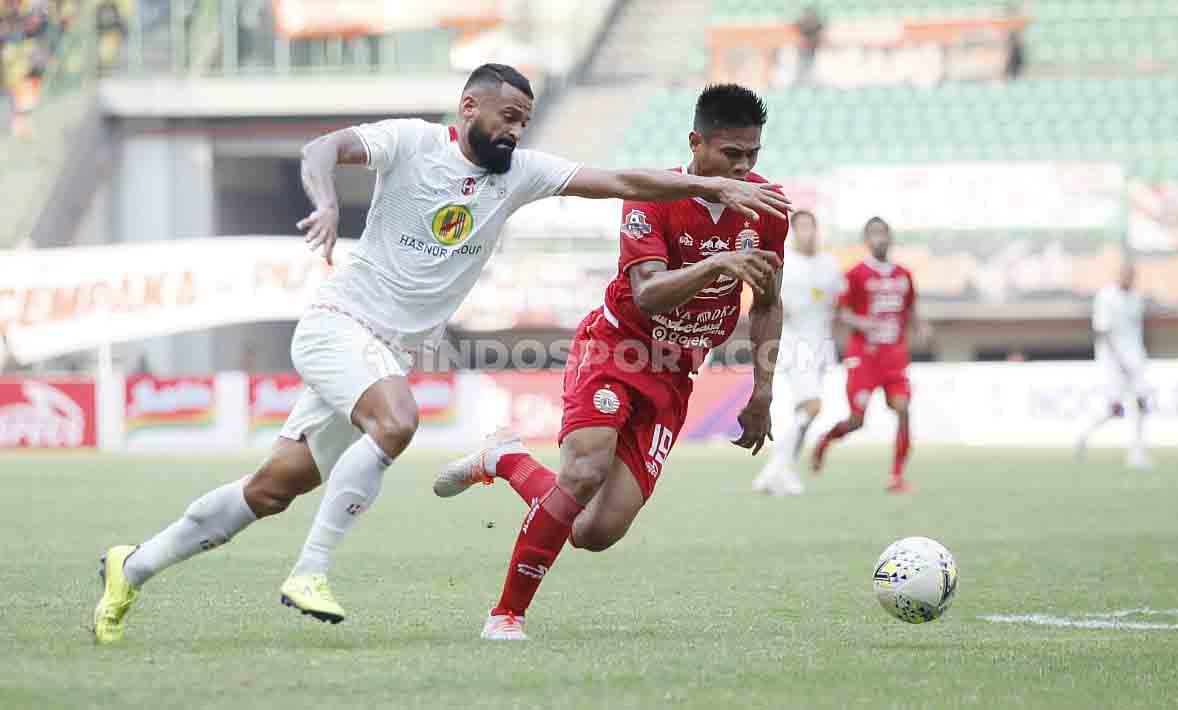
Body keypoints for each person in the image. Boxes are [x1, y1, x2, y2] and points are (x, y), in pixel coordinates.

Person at [91, 64, 790, 643]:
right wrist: (327, 201)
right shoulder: (412, 143)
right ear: (469, 107)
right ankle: (310, 569)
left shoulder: (521, 173)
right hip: (338, 324)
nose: (515, 131)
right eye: (507, 116)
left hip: (384, 354)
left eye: (524, 121)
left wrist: (709, 185)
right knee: (398, 420)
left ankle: (135, 565)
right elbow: (320, 149)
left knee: (273, 488)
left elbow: (625, 182)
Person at [434, 84, 789, 641]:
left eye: (752, 154)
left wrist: (762, 389)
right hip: (615, 348)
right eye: (731, 154)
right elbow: (647, 295)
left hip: (675, 374)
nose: (742, 168)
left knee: (592, 531)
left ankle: (507, 460)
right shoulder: (653, 196)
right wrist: (718, 263)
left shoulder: (767, 208)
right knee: (583, 472)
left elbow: (767, 301)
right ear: (696, 143)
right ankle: (506, 615)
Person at [810, 217, 929, 493]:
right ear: (866, 241)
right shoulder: (856, 274)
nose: (880, 239)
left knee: (903, 409)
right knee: (856, 421)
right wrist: (862, 323)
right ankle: (826, 440)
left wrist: (920, 327)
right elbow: (842, 313)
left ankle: (896, 476)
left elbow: (910, 308)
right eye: (874, 234)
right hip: (864, 357)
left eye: (883, 233)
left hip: (894, 357)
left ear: (890, 237)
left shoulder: (903, 274)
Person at [750, 209, 843, 495]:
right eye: (800, 227)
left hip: (821, 345)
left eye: (810, 226)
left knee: (804, 414)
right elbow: (771, 302)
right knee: (812, 406)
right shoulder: (786, 263)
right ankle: (774, 470)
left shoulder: (830, 264)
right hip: (794, 343)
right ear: (793, 232)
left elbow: (836, 304)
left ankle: (781, 471)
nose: (806, 232)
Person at [1074, 262, 1153, 469]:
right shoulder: (1106, 297)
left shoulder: (1136, 299)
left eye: (1131, 275)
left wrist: (1138, 356)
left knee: (1142, 402)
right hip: (1112, 361)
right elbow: (1103, 331)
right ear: (1118, 275)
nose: (1128, 279)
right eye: (1125, 274)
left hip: (1135, 358)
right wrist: (1118, 360)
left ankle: (1137, 453)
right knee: (1115, 409)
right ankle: (1084, 434)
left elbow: (1136, 331)